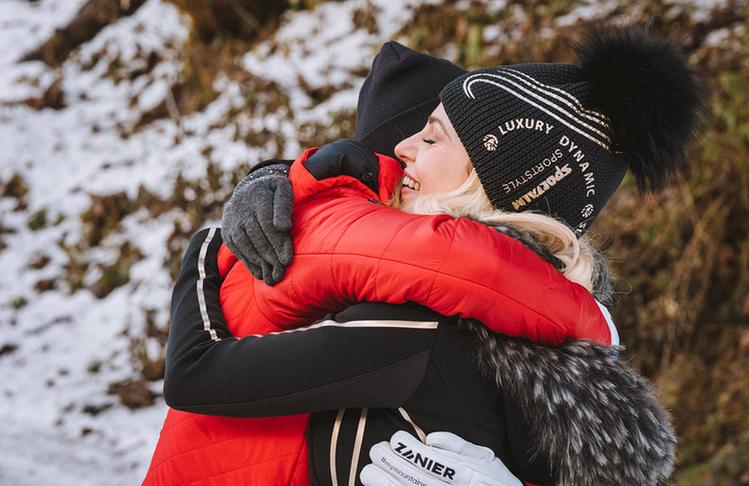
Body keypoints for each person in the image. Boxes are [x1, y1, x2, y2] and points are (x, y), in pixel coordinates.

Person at [149, 26, 705, 485]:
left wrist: (207, 249)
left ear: (490, 186)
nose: (404, 148)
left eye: (433, 138)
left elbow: (195, 374)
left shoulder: (421, 327)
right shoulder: (539, 338)